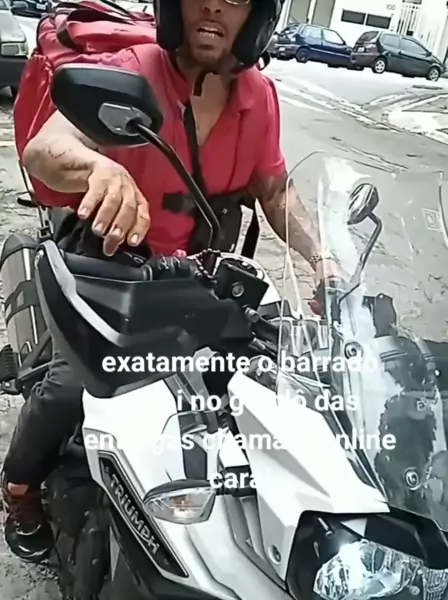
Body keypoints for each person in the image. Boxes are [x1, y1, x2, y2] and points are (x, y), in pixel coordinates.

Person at [1, 0, 336, 563]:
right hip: (114, 267)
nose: (213, 5)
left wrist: (323, 259)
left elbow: (275, 191)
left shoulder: (259, 98)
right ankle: (19, 488)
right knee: (71, 387)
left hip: (199, 279)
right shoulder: (134, 70)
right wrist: (100, 167)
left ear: (257, 17)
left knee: (268, 385)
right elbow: (44, 150)